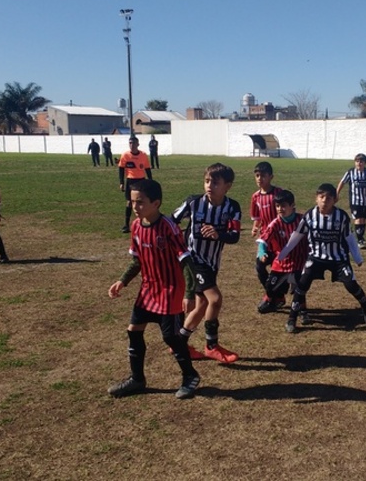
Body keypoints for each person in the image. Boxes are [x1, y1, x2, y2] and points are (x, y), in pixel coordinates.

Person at [107, 179, 201, 399]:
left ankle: (190, 376)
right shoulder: (136, 227)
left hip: (170, 290)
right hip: (148, 289)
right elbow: (137, 260)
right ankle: (137, 379)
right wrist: (122, 281)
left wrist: (189, 293)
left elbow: (186, 261)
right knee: (134, 330)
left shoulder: (168, 227)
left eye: (140, 202)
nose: (134, 207)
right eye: (132, 202)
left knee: (170, 337)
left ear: (156, 203)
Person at [278, 183, 366, 333]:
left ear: (335, 200)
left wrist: (357, 257)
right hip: (316, 258)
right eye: (321, 197)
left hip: (338, 258)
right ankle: (292, 317)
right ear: (316, 198)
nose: (324, 201)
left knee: (351, 284)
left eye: (329, 198)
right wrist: (282, 254)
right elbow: (296, 235)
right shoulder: (309, 216)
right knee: (302, 284)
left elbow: (349, 238)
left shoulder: (341, 217)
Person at [172, 163, 241, 363]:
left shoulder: (232, 207)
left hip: (211, 263)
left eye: (216, 182)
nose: (210, 185)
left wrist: (219, 234)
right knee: (215, 299)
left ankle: (180, 342)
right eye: (207, 181)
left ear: (227, 186)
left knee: (202, 305)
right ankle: (211, 345)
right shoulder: (193, 203)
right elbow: (171, 221)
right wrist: (178, 249)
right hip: (193, 260)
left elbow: (234, 235)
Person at [256, 190, 308, 314]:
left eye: (283, 205)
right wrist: (262, 253)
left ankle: (302, 310)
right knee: (270, 286)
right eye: (277, 206)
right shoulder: (275, 223)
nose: (280, 209)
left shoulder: (302, 221)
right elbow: (263, 240)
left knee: (299, 287)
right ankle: (275, 299)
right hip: (281, 261)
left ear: (292, 205)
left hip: (299, 261)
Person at [249, 161, 283, 306]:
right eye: (257, 175)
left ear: (271, 177)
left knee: (280, 269)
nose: (259, 178)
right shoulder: (255, 197)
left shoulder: (278, 193)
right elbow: (257, 217)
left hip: (280, 240)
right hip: (265, 240)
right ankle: (272, 294)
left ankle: (277, 295)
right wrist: (255, 227)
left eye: (263, 175)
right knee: (260, 266)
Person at [336, 153, 366, 248]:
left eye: (361, 161)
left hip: (365, 201)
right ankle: (359, 239)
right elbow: (342, 182)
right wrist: (337, 193)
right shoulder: (350, 172)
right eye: (357, 161)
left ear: (365, 163)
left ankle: (361, 237)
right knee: (358, 219)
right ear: (355, 162)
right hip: (355, 201)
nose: (359, 163)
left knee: (363, 219)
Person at [118, 136, 152, 233]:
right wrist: (121, 182)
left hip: (141, 180)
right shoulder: (125, 155)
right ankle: (126, 225)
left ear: (138, 144)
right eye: (130, 143)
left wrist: (150, 181)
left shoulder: (143, 155)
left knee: (143, 202)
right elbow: (121, 168)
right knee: (129, 202)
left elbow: (147, 169)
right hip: (130, 181)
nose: (132, 145)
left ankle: (145, 222)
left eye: (133, 143)